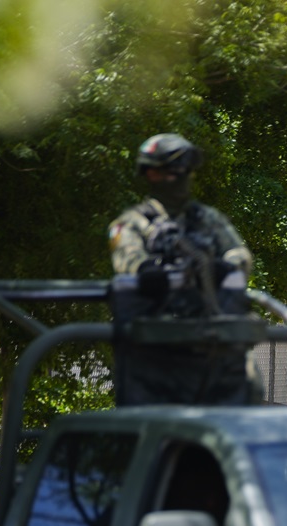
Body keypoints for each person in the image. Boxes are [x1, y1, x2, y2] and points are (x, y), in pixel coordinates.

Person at [108, 133, 255, 405]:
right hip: (154, 351)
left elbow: (240, 254)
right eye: (173, 171)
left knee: (249, 385)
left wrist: (224, 266)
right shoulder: (133, 223)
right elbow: (127, 258)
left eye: (185, 171)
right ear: (151, 174)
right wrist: (147, 269)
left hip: (210, 345)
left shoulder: (207, 219)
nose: (182, 177)